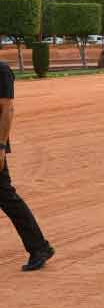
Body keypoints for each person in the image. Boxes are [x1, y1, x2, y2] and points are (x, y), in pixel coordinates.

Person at [0, 61, 54, 271]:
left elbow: (7, 109)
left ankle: (39, 247)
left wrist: (1, 146)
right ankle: (39, 246)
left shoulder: (2, 71)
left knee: (6, 197)